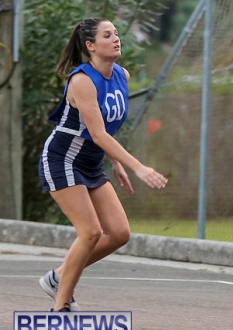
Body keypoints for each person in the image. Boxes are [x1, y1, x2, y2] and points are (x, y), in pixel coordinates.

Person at [38, 18, 168, 312]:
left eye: (116, 34)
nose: (116, 38)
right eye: (107, 35)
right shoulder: (82, 81)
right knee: (90, 232)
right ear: (91, 45)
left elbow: (106, 126)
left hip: (91, 162)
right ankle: (61, 307)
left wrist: (116, 161)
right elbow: (96, 133)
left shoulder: (122, 74)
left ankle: (58, 277)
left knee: (119, 234)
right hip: (63, 159)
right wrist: (138, 167)